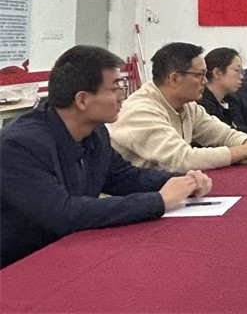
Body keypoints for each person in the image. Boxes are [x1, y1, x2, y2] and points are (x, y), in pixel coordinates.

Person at [0, 46, 212, 268]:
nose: (123, 97)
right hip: (20, 265)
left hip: (70, 251)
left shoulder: (95, 132)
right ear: (82, 100)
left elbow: (122, 176)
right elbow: (63, 214)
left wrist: (181, 181)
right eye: (115, 88)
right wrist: (158, 201)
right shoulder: (20, 145)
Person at [108, 43, 247, 172]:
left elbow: (223, 134)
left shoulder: (188, 106)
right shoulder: (140, 110)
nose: (205, 81)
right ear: (174, 79)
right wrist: (246, 150)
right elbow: (183, 160)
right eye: (200, 75)